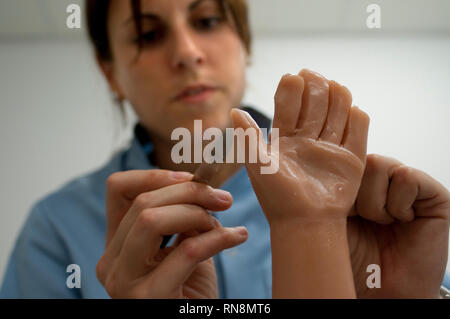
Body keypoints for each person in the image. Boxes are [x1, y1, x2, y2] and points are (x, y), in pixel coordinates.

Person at [1, 0, 449, 298]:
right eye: (148, 34)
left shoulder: (359, 198)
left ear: (244, 41)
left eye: (208, 21)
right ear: (110, 72)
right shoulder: (56, 228)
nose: (188, 52)